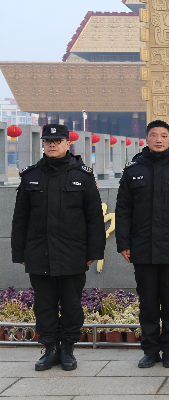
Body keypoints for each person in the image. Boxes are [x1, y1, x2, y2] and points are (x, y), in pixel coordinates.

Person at [11, 124, 106, 371]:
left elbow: (94, 218)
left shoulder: (83, 176)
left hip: (73, 254)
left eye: (58, 140)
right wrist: (20, 253)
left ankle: (68, 349)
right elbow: (20, 218)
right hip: (39, 253)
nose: (52, 145)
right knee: (44, 305)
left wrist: (94, 252)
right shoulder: (30, 175)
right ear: (43, 144)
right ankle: (50, 348)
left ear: (67, 143)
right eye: (48, 141)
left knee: (72, 304)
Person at [115, 120, 169, 368]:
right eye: (154, 135)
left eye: (164, 135)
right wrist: (123, 243)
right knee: (148, 303)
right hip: (142, 247)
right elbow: (123, 209)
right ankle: (150, 350)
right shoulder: (133, 170)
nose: (159, 140)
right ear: (147, 139)